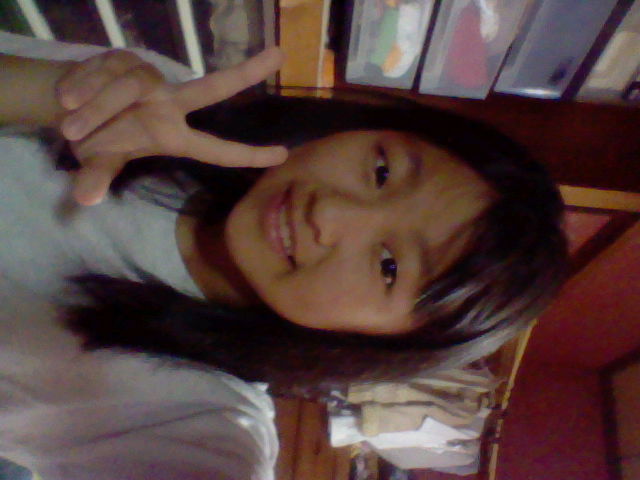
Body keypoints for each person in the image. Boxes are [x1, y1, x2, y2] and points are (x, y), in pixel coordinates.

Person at [0, 32, 567, 480]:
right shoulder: (169, 99)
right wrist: (56, 97)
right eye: (381, 170)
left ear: (383, 344)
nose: (330, 212)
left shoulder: (205, 422)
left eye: (389, 266)